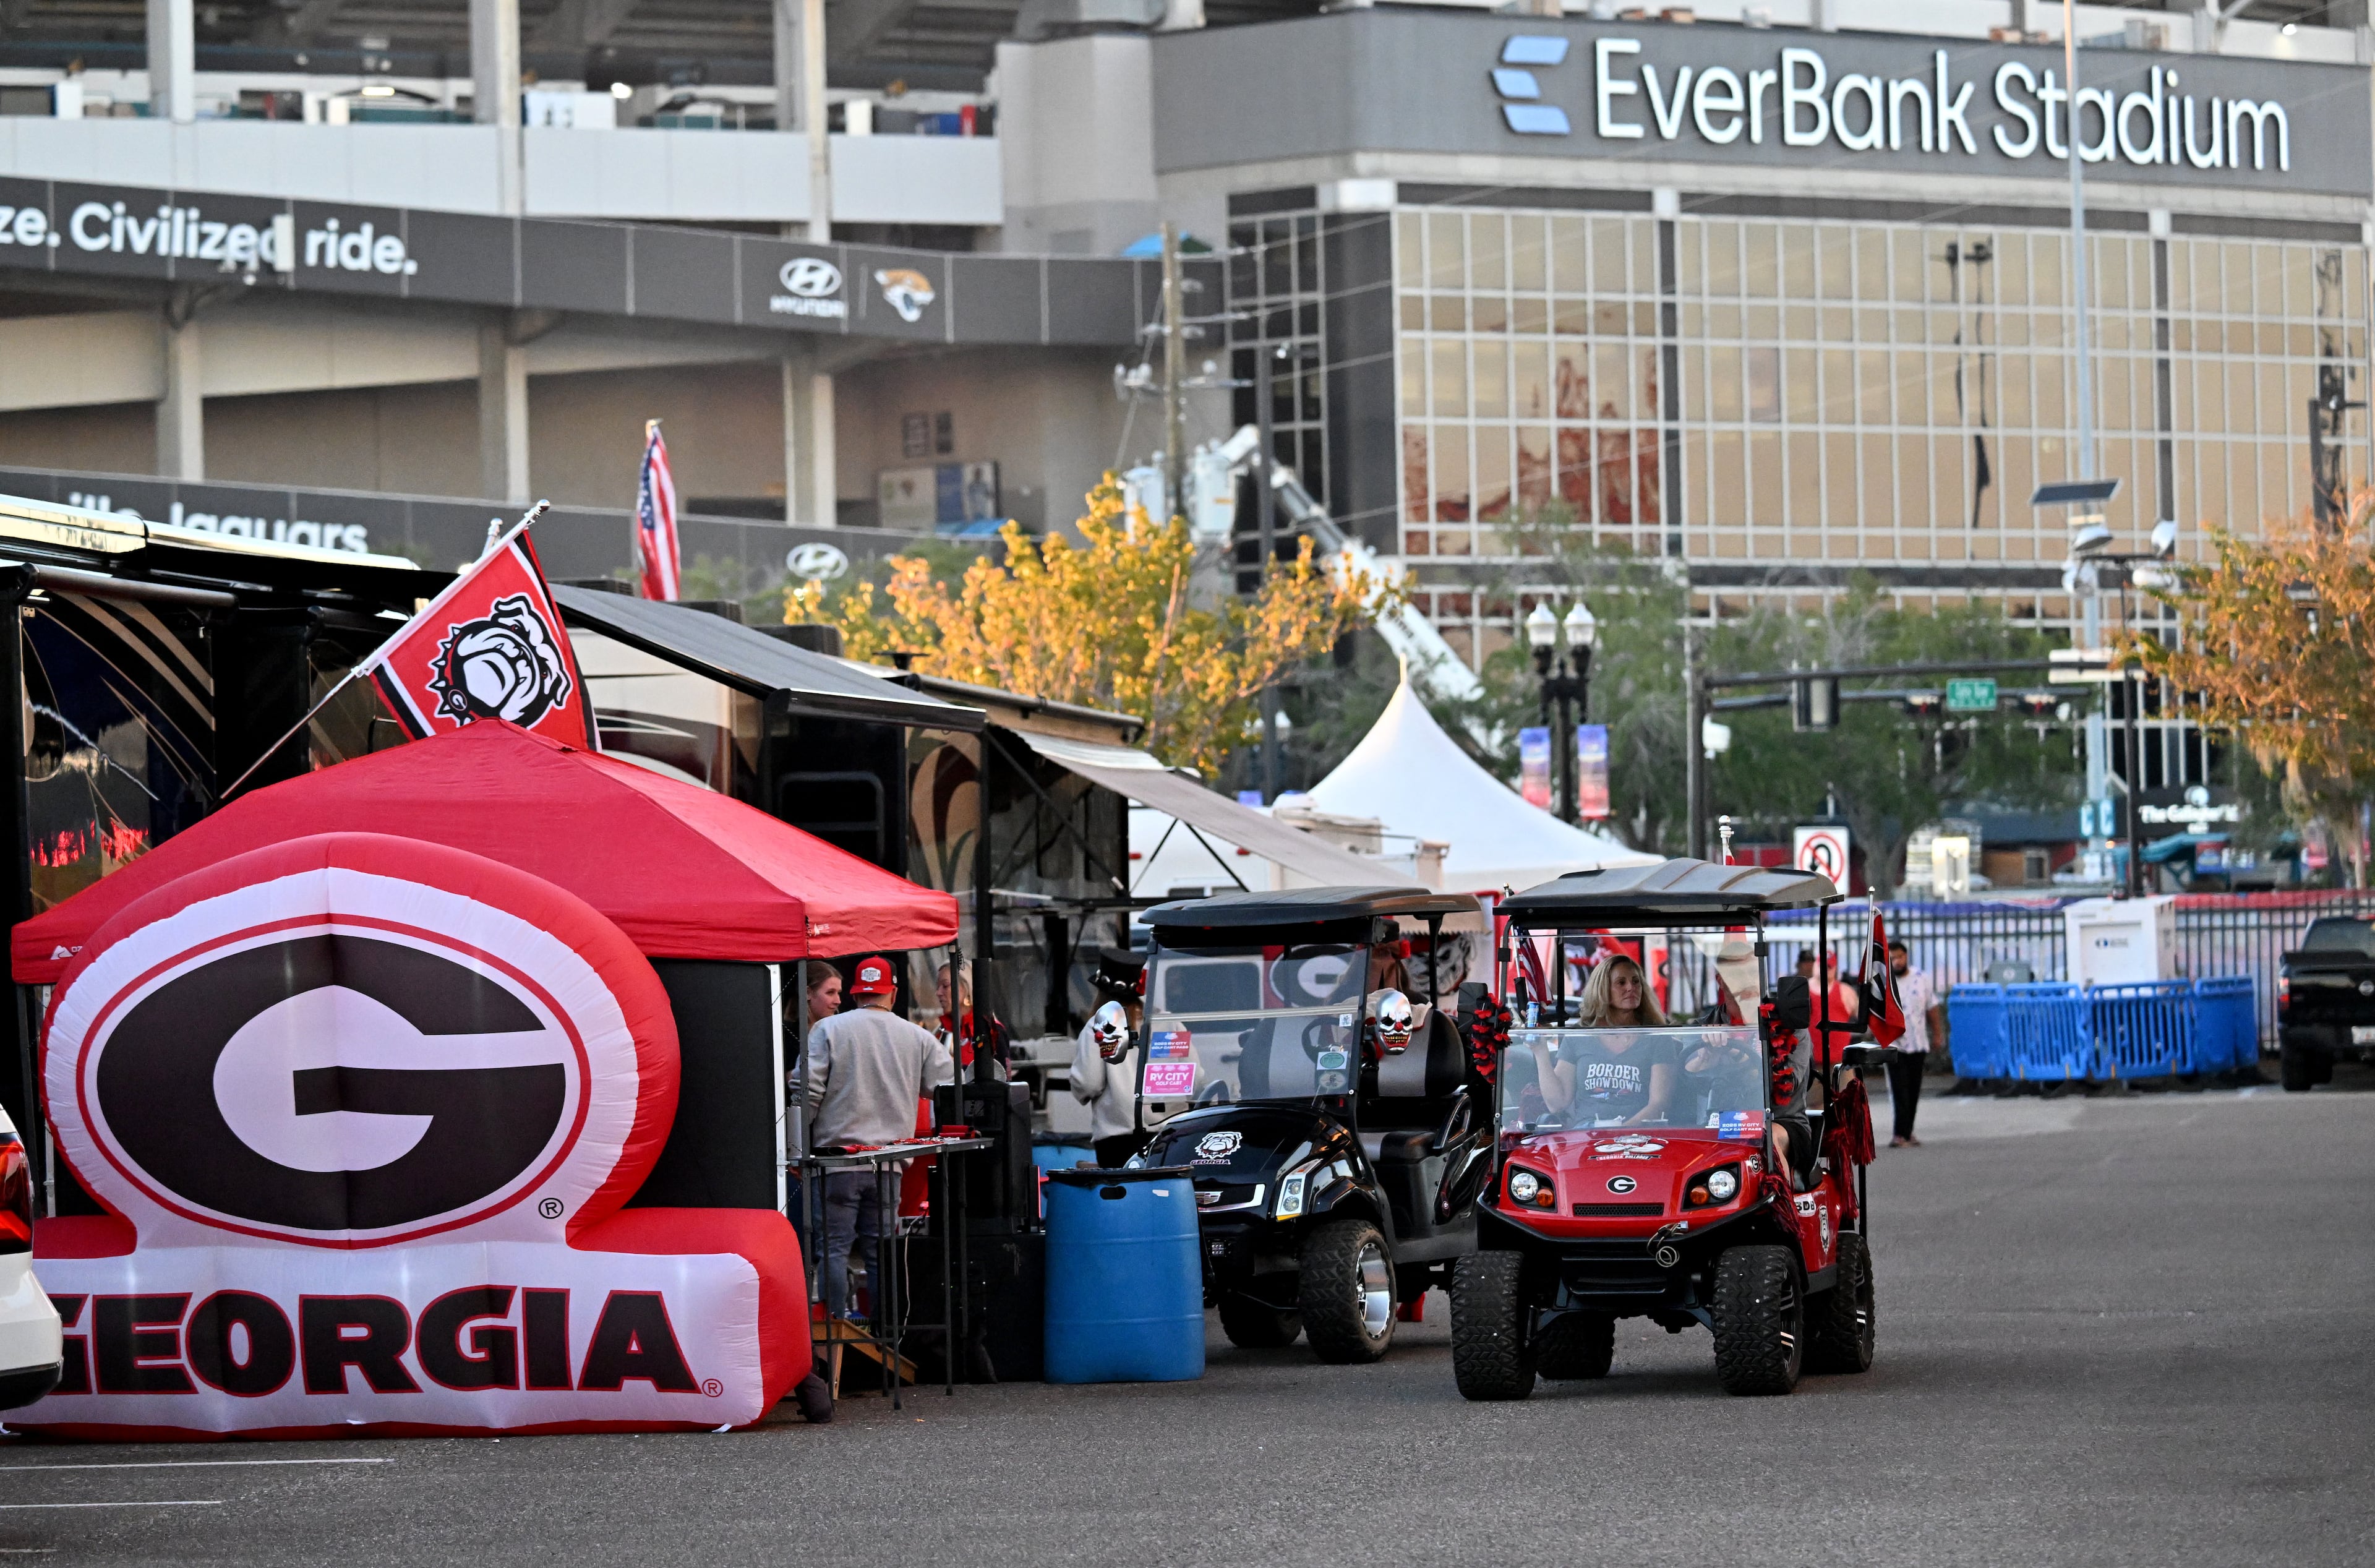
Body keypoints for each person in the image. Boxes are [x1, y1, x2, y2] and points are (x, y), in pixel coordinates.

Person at [807, 954, 954, 1323]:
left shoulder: (827, 1031)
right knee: (882, 1254)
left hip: (837, 1163)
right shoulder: (917, 1037)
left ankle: (833, 1336)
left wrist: (798, 1143)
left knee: (834, 1251)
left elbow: (806, 1093)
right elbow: (950, 1088)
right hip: (888, 1165)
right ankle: (887, 1336)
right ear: (894, 993)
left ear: (856, 994)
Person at [1542, 955, 1678, 1125]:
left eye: (1636, 982)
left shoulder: (1657, 1036)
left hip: (1640, 1135)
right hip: (1587, 1133)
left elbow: (1659, 1103)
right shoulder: (1579, 1036)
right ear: (1602, 989)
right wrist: (1540, 1051)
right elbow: (1558, 1103)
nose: (1631, 988)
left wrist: (1619, 1132)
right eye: (1621, 983)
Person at [1069, 950, 1148, 1167]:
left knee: (1122, 1198)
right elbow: (1196, 1079)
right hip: (1167, 1137)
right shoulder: (1167, 1022)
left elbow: (1088, 1082)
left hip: (1116, 1141)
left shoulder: (1097, 1026)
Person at [1886, 938, 1943, 1148]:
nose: (1897, 962)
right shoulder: (1885, 982)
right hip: (1895, 1046)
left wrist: (1937, 1034)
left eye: (1900, 957)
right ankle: (1899, 1134)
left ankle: (1908, 1132)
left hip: (1918, 1043)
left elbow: (1932, 1007)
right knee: (1899, 1089)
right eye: (1892, 959)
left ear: (1906, 956)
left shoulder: (1921, 978)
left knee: (1913, 1089)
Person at [936, 959, 1011, 1076]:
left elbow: (1002, 1079)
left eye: (945, 986)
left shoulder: (992, 1031)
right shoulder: (941, 1031)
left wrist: (954, 1068)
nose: (938, 993)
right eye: (938, 986)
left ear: (966, 988)